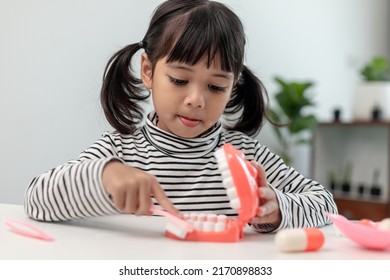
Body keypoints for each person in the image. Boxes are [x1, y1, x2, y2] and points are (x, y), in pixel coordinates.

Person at [24, 0, 337, 233]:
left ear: (232, 86)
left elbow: (325, 204)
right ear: (148, 70)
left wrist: (277, 208)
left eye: (215, 86)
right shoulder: (120, 151)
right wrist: (106, 176)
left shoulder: (247, 156)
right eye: (179, 80)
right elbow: (37, 199)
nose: (196, 100)